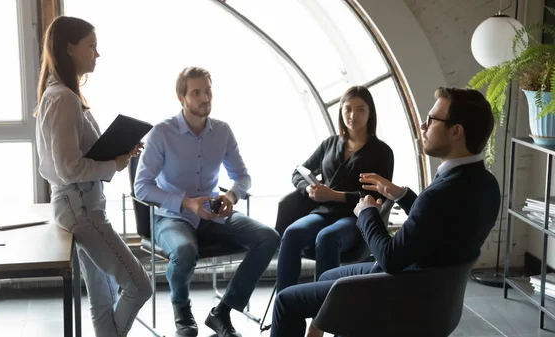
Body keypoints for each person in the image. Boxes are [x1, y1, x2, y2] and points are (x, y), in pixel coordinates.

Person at [270, 87, 501, 337]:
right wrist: (403, 195)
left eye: (432, 120)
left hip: (396, 291)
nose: (423, 126)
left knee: (286, 301)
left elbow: (390, 258)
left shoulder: (438, 192)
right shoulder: (486, 184)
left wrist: (367, 212)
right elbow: (439, 224)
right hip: (433, 294)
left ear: (457, 132)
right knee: (326, 274)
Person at [134, 66, 280, 337]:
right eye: (196, 93)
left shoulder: (222, 131)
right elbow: (141, 187)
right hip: (172, 217)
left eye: (208, 91)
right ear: (181, 98)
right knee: (185, 251)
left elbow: (242, 177)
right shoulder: (162, 133)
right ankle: (182, 309)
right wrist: (186, 203)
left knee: (269, 238)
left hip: (213, 214)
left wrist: (230, 195)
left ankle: (222, 311)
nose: (205, 98)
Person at [34, 16, 152, 337]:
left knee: (102, 296)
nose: (97, 54)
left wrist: (120, 155)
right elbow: (68, 168)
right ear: (69, 48)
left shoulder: (66, 96)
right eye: (92, 46)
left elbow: (78, 159)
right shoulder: (62, 99)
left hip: (83, 206)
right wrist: (113, 163)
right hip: (80, 210)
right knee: (139, 286)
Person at [276, 86, 394, 292]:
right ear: (340, 111)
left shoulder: (382, 152)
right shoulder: (329, 144)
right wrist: (309, 190)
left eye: (360, 109)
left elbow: (378, 196)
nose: (352, 115)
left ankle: (323, 310)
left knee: (327, 237)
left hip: (356, 218)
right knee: (292, 232)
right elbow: (298, 173)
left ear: (370, 113)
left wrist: (334, 195)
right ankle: (285, 302)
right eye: (347, 109)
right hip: (323, 213)